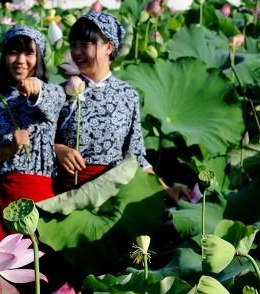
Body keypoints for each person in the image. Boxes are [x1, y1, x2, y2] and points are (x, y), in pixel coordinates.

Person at [55, 12, 191, 201]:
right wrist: (58, 150)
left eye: (85, 45)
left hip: (115, 195)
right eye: (74, 45)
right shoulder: (60, 92)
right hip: (69, 196)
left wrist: (166, 188)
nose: (76, 52)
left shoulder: (127, 94)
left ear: (109, 47)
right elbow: (36, 144)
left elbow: (136, 156)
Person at [0, 25, 66, 238]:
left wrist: (35, 88)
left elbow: (49, 100)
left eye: (29, 53)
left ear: (39, 58)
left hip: (39, 201)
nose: (20, 60)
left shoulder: (53, 94)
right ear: (4, 57)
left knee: (39, 268)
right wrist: (6, 151)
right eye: (13, 52)